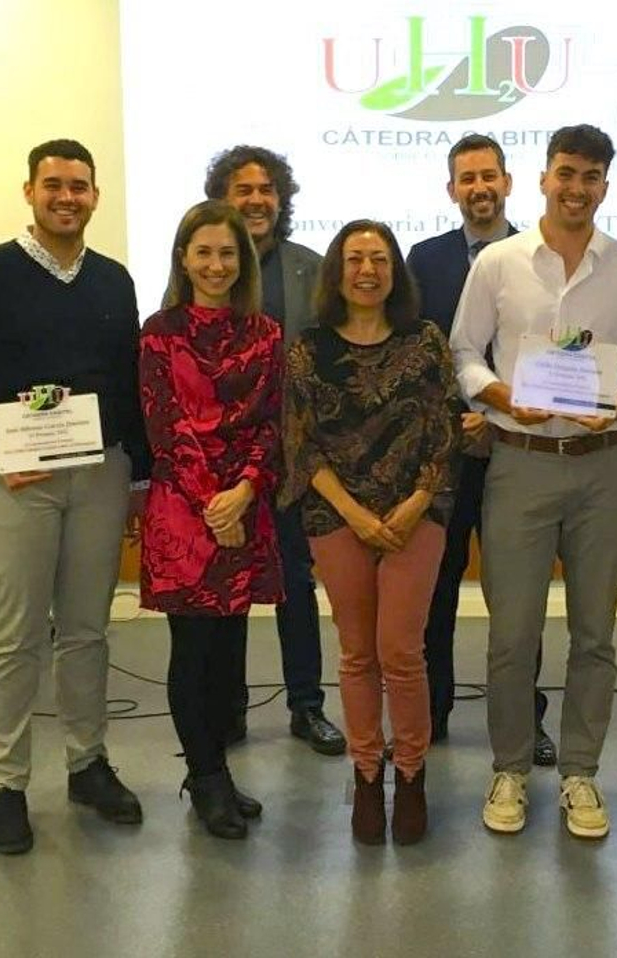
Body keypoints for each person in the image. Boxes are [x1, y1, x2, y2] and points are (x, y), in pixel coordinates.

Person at [0, 139, 151, 855]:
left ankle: (87, 764)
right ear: (29, 191)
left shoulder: (113, 280)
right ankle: (7, 785)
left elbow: (128, 385)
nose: (66, 197)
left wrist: (139, 478)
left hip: (99, 475)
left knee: (87, 630)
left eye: (79, 186)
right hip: (11, 481)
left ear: (95, 196)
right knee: (14, 635)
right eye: (53, 185)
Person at [450, 125, 617, 840]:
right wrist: (502, 397)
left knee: (595, 634)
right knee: (511, 636)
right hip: (518, 462)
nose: (577, 188)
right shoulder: (499, 262)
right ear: (544, 177)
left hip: (603, 466)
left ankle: (581, 772)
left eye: (591, 176)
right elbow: (463, 352)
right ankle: (510, 769)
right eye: (567, 173)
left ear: (605, 185)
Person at [280, 220, 462, 845]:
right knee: (357, 653)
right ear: (336, 271)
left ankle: (410, 775)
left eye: (379, 259)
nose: (367, 270)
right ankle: (366, 776)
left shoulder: (426, 341)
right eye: (355, 258)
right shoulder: (308, 349)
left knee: (401, 651)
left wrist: (414, 505)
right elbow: (301, 444)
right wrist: (355, 514)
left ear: (395, 272)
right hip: (337, 516)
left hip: (416, 513)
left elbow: (445, 432)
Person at [406, 134, 557, 766]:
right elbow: (415, 358)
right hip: (444, 458)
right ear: (452, 190)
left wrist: (496, 417)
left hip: (518, 451)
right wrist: (455, 422)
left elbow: (552, 354)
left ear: (508, 182)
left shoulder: (542, 255)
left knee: (516, 597)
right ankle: (431, 711)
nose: (479, 188)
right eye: (467, 179)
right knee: (434, 591)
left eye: (488, 176)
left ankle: (525, 718)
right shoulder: (424, 259)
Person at [138, 201, 284, 840]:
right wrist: (212, 504)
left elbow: (272, 422)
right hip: (184, 514)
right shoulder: (158, 333)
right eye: (204, 252)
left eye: (227, 253)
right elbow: (165, 427)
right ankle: (203, 777)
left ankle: (218, 771)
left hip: (244, 508)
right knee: (193, 652)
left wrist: (244, 491)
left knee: (228, 654)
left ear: (242, 261)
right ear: (183, 257)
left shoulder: (266, 334)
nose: (216, 265)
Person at [204, 145, 345, 756]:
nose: (256, 200)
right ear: (223, 198)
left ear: (281, 199)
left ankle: (306, 706)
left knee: (294, 581)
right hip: (224, 464)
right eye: (244, 189)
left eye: (266, 190)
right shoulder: (205, 270)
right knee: (229, 584)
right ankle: (228, 707)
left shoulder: (313, 270)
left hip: (293, 461)